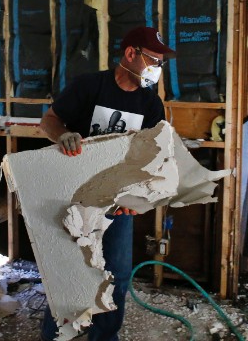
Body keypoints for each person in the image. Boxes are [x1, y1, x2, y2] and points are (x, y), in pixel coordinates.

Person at [39, 26, 175, 341]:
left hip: (116, 203)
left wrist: (139, 196)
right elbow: (49, 120)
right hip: (75, 198)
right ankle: (55, 335)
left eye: (160, 64)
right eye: (153, 60)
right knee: (69, 273)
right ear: (131, 54)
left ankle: (104, 337)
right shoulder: (89, 87)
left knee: (118, 275)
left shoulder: (150, 104)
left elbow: (152, 159)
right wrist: (61, 134)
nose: (156, 69)